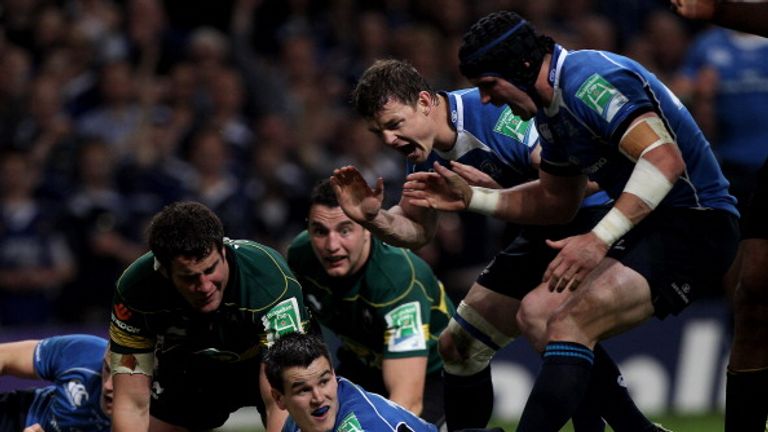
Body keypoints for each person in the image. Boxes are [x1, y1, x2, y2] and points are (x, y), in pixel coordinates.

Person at [401, 10, 740, 431]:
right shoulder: (551, 115)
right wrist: (476, 198)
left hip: (695, 222)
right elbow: (555, 202)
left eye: (489, 85)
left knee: (566, 320)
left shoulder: (589, 81)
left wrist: (597, 239)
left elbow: (662, 159)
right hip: (653, 222)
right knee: (538, 313)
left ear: (523, 67)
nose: (486, 99)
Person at [339, 58, 659, 432]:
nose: (390, 141)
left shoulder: (493, 115)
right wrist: (372, 218)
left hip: (591, 220)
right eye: (380, 133)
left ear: (425, 102)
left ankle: (635, 427)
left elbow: (582, 180)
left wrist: (494, 192)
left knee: (554, 324)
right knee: (456, 346)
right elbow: (417, 231)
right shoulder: (423, 152)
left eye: (394, 125)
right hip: (539, 231)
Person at [108, 201, 311, 432]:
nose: (204, 286)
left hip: (262, 363)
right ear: (164, 271)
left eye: (210, 269)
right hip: (194, 367)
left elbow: (282, 401)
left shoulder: (271, 283)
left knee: (299, 409)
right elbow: (132, 405)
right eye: (190, 278)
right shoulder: (134, 292)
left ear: (223, 251)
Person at [671, 1, 768, 430]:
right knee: (750, 293)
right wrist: (700, 94)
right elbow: (681, 93)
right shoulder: (709, 47)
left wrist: (716, 8)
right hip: (736, 171)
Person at [286, 178, 455, 425]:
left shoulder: (398, 280)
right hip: (360, 364)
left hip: (433, 377)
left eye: (345, 230)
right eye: (320, 231)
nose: (332, 246)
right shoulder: (301, 255)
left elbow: (406, 401)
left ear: (368, 229)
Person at [263, 331, 438, 432]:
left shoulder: (362, 425)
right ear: (279, 398)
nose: (318, 397)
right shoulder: (298, 421)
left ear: (333, 374)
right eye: (303, 390)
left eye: (324, 381)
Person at [0, 334, 112, 432]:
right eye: (107, 369)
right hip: (20, 414)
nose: (108, 386)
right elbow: (5, 355)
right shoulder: (87, 352)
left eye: (118, 379)